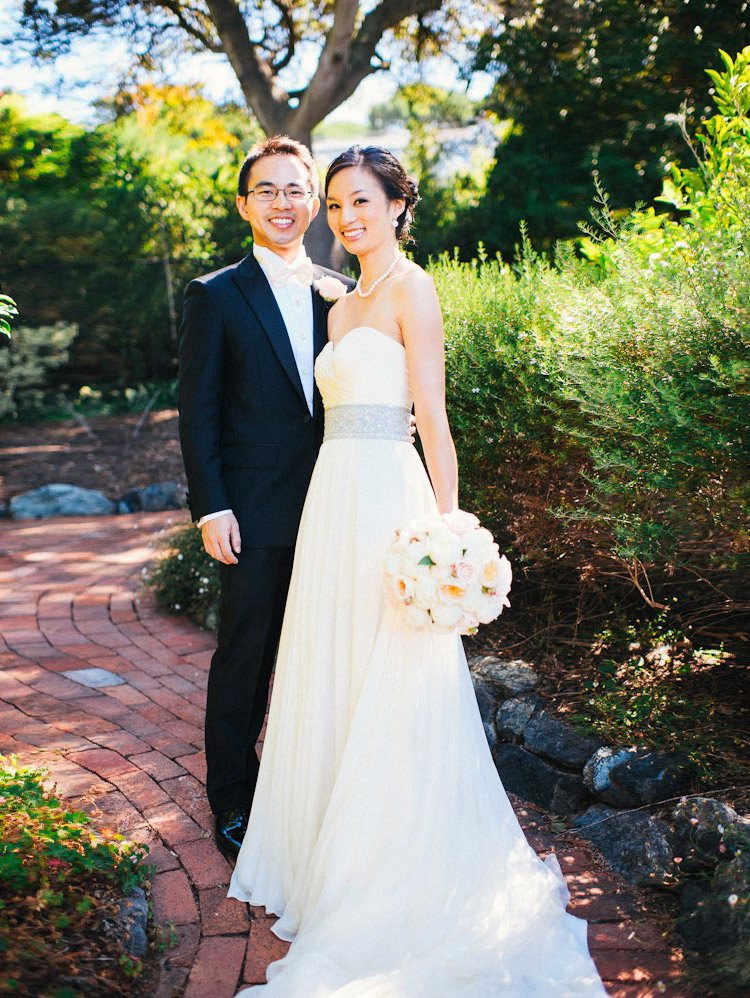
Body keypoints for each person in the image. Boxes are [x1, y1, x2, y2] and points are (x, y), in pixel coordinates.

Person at [228, 144, 607, 995]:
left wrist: (448, 535)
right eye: (335, 205)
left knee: (394, 676)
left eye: (361, 201)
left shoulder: (412, 289)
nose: (345, 217)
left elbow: (432, 421)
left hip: (390, 504)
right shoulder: (339, 303)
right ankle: (320, 856)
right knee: (331, 667)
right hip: (333, 502)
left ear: (398, 205)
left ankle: (391, 863)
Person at [177, 136, 355, 861]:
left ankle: (312, 793)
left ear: (314, 201)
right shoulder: (214, 295)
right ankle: (232, 800)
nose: (284, 203)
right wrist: (210, 505)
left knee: (324, 656)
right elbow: (198, 411)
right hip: (252, 513)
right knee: (246, 656)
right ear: (244, 203)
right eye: (268, 190)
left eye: (296, 190)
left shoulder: (344, 293)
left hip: (337, 507)